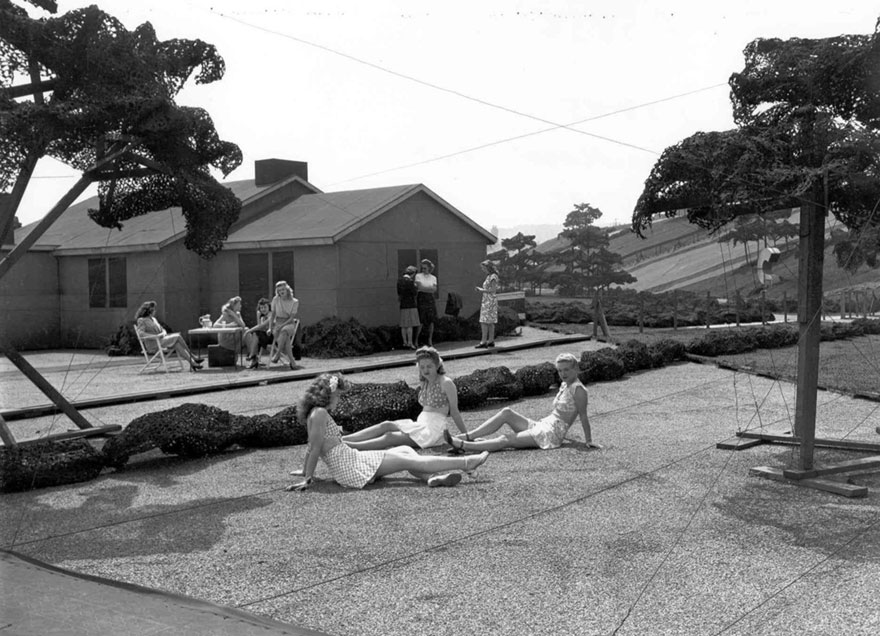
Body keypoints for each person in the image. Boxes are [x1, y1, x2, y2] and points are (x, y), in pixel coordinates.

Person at [286, 373, 490, 491]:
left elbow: (312, 446)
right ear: (326, 394)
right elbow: (314, 448)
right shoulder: (320, 413)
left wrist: (305, 472)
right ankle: (466, 463)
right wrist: (308, 478)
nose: (338, 400)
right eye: (338, 396)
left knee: (405, 450)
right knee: (409, 460)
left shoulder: (315, 412)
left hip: (350, 460)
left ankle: (431, 478)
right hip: (349, 465)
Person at [445, 353, 600, 452]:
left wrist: (589, 441)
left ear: (576, 368)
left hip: (551, 434)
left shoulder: (579, 390)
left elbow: (583, 416)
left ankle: (464, 446)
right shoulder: (566, 384)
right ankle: (467, 436)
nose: (563, 374)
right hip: (543, 424)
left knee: (506, 439)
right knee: (507, 412)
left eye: (566, 370)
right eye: (560, 370)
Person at [342, 346, 469, 451]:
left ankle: (349, 446)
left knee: (390, 437)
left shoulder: (446, 382)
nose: (425, 370)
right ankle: (344, 439)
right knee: (386, 425)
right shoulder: (425, 382)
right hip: (421, 424)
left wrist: (467, 435)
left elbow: (455, 412)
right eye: (422, 366)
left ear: (437, 365)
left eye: (429, 366)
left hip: (432, 430)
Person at [134, 301, 203, 371]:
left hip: (161, 341)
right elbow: (140, 333)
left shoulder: (154, 319)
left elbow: (163, 329)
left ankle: (193, 363)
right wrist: (155, 336)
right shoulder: (141, 320)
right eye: (153, 309)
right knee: (178, 336)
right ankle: (193, 356)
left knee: (177, 344)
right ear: (149, 311)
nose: (155, 311)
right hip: (153, 344)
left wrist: (163, 333)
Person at [268, 281, 303, 371]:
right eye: (279, 290)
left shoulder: (295, 301)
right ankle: (292, 362)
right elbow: (272, 315)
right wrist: (269, 327)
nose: (281, 292)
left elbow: (291, 318)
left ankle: (278, 353)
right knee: (286, 338)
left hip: (288, 323)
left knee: (284, 331)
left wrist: (282, 325)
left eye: (283, 289)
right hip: (277, 323)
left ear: (287, 289)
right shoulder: (275, 299)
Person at [475, 259, 500, 349]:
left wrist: (481, 290)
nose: (483, 270)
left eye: (484, 268)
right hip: (488, 300)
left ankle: (484, 341)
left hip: (489, 300)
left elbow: (493, 290)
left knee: (484, 321)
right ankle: (490, 340)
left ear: (488, 267)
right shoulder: (490, 276)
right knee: (489, 322)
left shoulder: (493, 276)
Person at [243, 297, 273, 369]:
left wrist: (248, 331)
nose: (263, 309)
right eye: (261, 308)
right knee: (255, 335)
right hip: (265, 337)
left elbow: (262, 326)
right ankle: (253, 358)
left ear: (269, 307)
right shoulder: (262, 316)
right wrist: (258, 315)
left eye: (265, 307)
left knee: (255, 334)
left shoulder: (271, 314)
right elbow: (260, 326)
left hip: (272, 337)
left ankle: (252, 356)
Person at [414, 259, 438, 347]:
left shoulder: (433, 277)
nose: (423, 270)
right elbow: (419, 287)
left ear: (429, 268)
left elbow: (434, 289)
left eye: (425, 268)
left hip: (430, 299)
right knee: (421, 320)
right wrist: (428, 289)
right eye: (422, 268)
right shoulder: (418, 276)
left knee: (431, 320)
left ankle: (429, 340)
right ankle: (416, 340)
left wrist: (425, 288)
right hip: (422, 298)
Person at [397, 265, 419, 350]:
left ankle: (405, 342)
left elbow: (399, 293)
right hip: (411, 304)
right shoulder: (410, 282)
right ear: (412, 273)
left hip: (403, 304)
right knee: (410, 325)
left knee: (404, 325)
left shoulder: (399, 281)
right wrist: (416, 286)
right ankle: (410, 343)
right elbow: (414, 293)